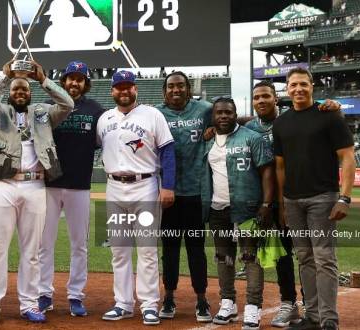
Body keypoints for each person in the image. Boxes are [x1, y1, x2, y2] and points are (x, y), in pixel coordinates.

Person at [0, 60, 74, 324]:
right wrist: (4, 77)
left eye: (25, 90)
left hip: (35, 184)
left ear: (31, 93)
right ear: (10, 91)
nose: (20, 93)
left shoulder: (42, 112)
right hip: (4, 184)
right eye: (16, 89)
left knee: (31, 251)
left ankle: (29, 303)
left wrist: (44, 79)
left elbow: (68, 104)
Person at [246, 81, 341, 327]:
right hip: (264, 200)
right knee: (280, 255)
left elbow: (314, 116)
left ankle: (314, 311)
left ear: (276, 98)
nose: (261, 101)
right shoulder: (248, 127)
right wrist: (212, 129)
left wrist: (333, 105)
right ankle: (289, 303)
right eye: (257, 97)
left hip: (293, 196)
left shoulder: (290, 120)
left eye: (266, 96)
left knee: (305, 254)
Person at [274, 68, 356, 330]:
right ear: (287, 88)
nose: (298, 89)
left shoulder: (329, 116)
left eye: (303, 84)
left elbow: (347, 156)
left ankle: (329, 320)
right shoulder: (281, 123)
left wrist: (345, 198)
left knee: (324, 259)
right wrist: (282, 203)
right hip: (293, 201)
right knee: (306, 259)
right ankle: (312, 316)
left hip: (323, 197)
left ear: (312, 86)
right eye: (293, 85)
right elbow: (280, 167)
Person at [98, 70, 175, 326]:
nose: (124, 91)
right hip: (114, 187)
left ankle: (150, 304)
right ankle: (123, 303)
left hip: (145, 186)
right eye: (119, 87)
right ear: (112, 91)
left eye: (128, 86)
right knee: (119, 250)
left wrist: (168, 186)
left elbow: (167, 150)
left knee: (146, 249)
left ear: (135, 89)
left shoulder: (153, 115)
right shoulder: (104, 119)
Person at [37, 61, 104, 316]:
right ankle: (44, 293)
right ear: (62, 81)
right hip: (49, 185)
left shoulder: (96, 110)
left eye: (79, 79)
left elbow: (101, 142)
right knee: (45, 243)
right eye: (69, 78)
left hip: (79, 186)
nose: (73, 83)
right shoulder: (48, 107)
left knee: (80, 244)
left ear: (85, 83)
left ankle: (76, 295)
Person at [201, 97, 274, 330]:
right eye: (219, 113)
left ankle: (253, 307)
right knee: (224, 258)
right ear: (213, 116)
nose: (224, 116)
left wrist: (266, 204)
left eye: (228, 112)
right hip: (217, 208)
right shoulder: (207, 141)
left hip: (248, 206)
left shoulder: (252, 138)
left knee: (250, 257)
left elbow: (267, 173)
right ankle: (228, 302)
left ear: (235, 114)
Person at [155, 71, 212, 322]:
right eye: (171, 86)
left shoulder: (205, 109)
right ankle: (168, 297)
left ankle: (202, 299)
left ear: (189, 89)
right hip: (167, 194)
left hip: (195, 193)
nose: (175, 90)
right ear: (164, 91)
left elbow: (230, 117)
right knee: (169, 249)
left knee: (196, 250)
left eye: (180, 86)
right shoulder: (155, 114)